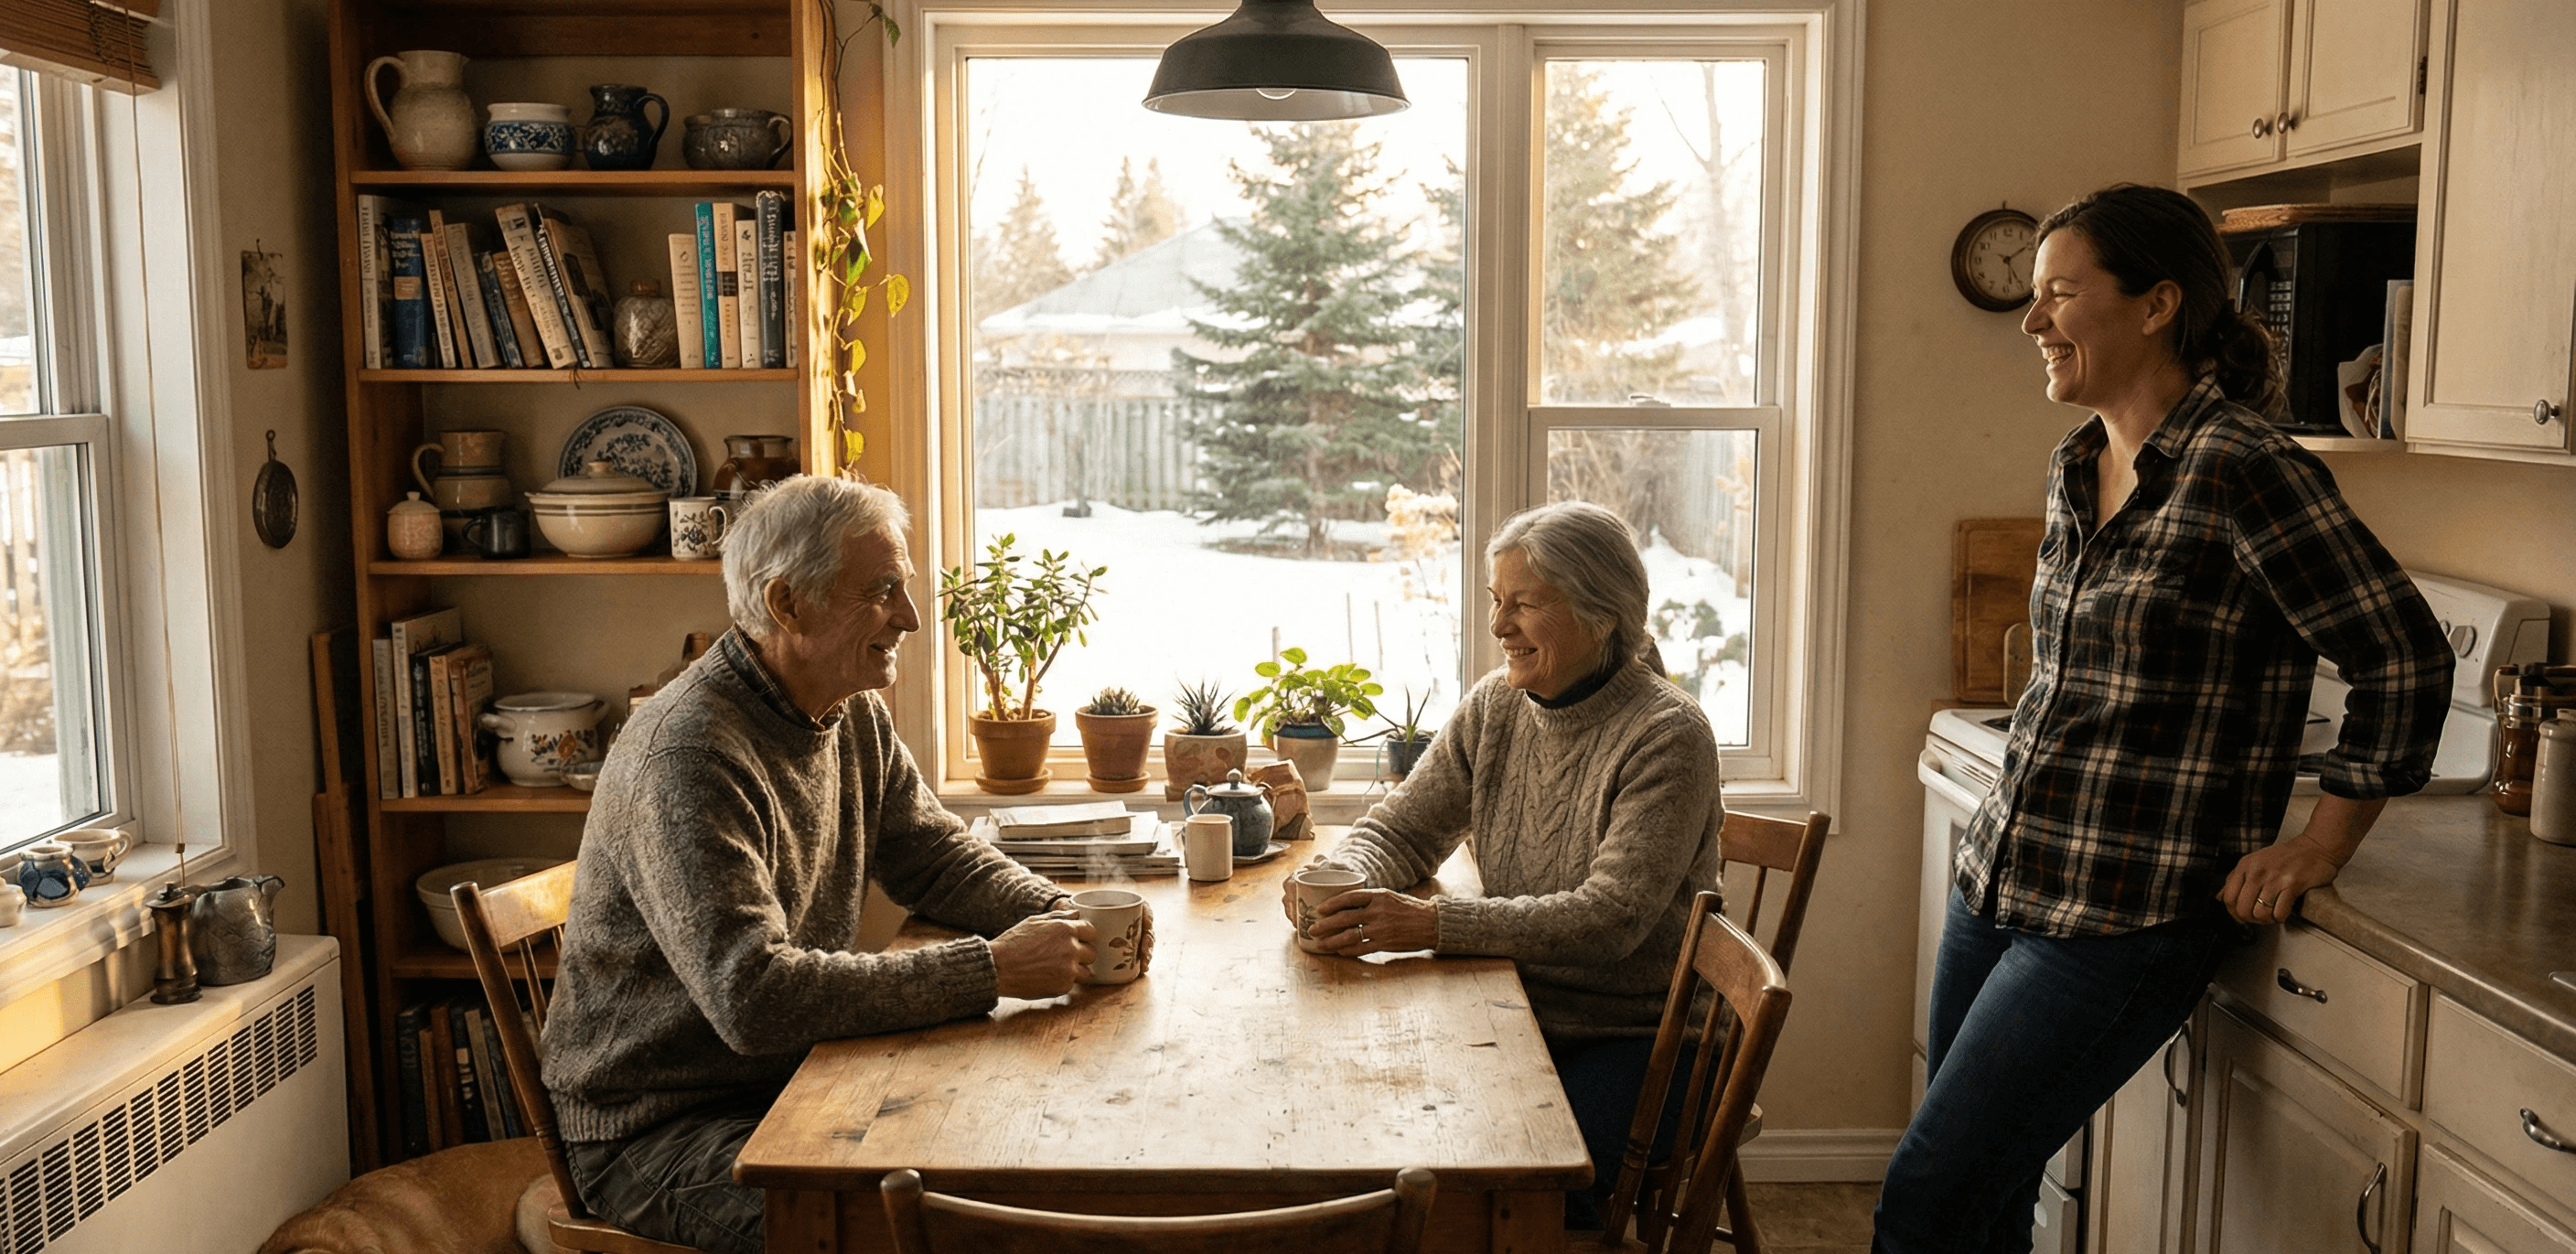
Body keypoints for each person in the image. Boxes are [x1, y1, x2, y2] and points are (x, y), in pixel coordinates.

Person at [1873, 184, 2453, 1253]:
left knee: (1924, 1198)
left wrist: (2321, 842)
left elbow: (2403, 656)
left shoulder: (2244, 467)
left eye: (2058, 294)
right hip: (2002, 875)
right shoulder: (2076, 462)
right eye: (2032, 297)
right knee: (1980, 1192)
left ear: (2154, 306)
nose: (2032, 321)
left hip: (2124, 915)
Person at [542, 476, 1144, 1254]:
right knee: (940, 1228)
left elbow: (933, 853)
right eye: (882, 590)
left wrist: (1062, 912)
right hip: (657, 1132)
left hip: (791, 1081)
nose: (911, 617)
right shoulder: (688, 757)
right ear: (788, 604)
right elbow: (753, 996)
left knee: (1011, 1160)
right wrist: (989, 970)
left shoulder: (844, 706)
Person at [1285, 500, 1726, 1230]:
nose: (1497, 627)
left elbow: (1608, 919)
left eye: (1524, 604)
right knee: (1364, 1132)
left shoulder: (1669, 734)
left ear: (1602, 614)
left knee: (1496, 1194)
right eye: (1497, 601)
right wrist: (1337, 878)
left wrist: (1429, 922)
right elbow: (1401, 828)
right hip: (1515, 1010)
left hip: (1638, 1038)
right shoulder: (1497, 706)